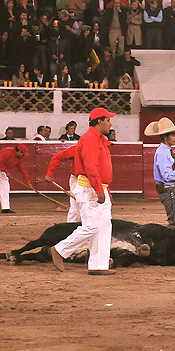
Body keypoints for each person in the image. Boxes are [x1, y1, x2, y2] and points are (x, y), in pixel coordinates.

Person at [50, 108, 116, 275]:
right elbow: (91, 166)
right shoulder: (89, 139)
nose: (110, 123)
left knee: (104, 227)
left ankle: (98, 266)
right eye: (108, 120)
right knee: (92, 226)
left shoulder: (98, 138)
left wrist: (105, 190)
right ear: (99, 121)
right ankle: (60, 249)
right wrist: (98, 188)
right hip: (89, 189)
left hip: (99, 188)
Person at [144, 117, 175, 230]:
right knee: (174, 223)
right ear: (165, 137)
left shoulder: (166, 150)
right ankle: (173, 245)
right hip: (168, 190)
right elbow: (166, 176)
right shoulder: (162, 152)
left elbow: (172, 171)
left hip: (172, 189)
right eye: (173, 135)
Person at [45, 145, 79, 221]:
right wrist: (50, 173)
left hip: (92, 180)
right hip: (78, 179)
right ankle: (71, 227)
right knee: (75, 206)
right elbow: (58, 157)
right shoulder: (78, 148)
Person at [0, 144, 31, 214]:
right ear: (19, 151)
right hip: (2, 170)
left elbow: (23, 170)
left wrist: (28, 182)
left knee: (5, 187)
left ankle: (5, 207)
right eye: (23, 154)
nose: (23, 156)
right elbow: (0, 161)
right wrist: (6, 171)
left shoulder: (19, 159)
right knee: (4, 185)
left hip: (1, 171)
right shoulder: (7, 151)